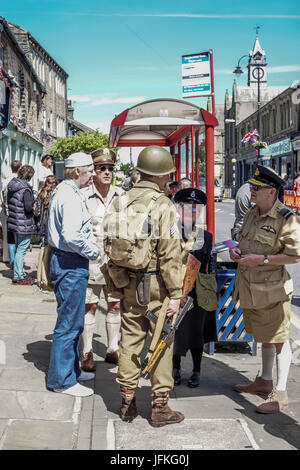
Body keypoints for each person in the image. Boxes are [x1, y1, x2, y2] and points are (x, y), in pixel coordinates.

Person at [105, 145, 184, 427]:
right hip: (156, 285)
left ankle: (127, 403)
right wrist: (176, 294)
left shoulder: (120, 200)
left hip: (127, 282)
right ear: (162, 175)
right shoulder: (163, 205)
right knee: (163, 339)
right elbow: (171, 254)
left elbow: (108, 243)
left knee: (130, 337)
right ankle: (160, 408)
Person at [230, 165, 300, 414]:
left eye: (256, 189)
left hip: (272, 290)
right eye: (252, 187)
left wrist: (264, 260)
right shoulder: (252, 212)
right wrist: (235, 251)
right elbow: (242, 240)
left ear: (271, 192)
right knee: (264, 336)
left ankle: (279, 394)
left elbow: (294, 256)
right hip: (251, 288)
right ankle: (264, 381)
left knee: (279, 338)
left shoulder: (286, 218)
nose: (251, 192)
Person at [47, 152, 100, 398]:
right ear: (77, 171)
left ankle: (72, 371)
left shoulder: (67, 191)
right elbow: (71, 235)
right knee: (68, 325)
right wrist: (94, 251)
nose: (93, 175)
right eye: (90, 170)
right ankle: (62, 380)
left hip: (68, 261)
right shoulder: (68, 195)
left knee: (74, 321)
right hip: (70, 262)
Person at [81, 148, 123, 372]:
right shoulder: (84, 196)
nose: (107, 172)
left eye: (110, 168)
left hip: (115, 263)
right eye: (102, 168)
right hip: (91, 261)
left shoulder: (121, 196)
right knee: (90, 307)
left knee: (115, 306)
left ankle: (112, 349)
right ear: (94, 171)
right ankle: (87, 351)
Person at [172, 188, 218, 388]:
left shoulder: (205, 237)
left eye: (194, 209)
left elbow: (205, 263)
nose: (190, 212)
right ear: (179, 209)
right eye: (186, 208)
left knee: (196, 334)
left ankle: (197, 370)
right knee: (174, 332)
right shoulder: (170, 232)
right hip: (174, 290)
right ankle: (175, 369)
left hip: (196, 293)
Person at [7, 165, 36, 285]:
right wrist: (35, 203)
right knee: (21, 250)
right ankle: (18, 276)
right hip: (23, 223)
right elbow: (28, 207)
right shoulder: (26, 189)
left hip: (14, 221)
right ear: (30, 176)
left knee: (19, 248)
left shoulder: (13, 185)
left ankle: (20, 274)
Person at [0, 160, 22, 265]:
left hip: (6, 211)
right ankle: (16, 262)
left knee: (8, 237)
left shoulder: (4, 181)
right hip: (16, 213)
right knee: (18, 239)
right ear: (20, 168)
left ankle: (9, 259)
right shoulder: (18, 181)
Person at [33, 175, 59, 247]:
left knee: (45, 245)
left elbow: (36, 212)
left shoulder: (41, 194)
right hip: (54, 222)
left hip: (42, 222)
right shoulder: (58, 194)